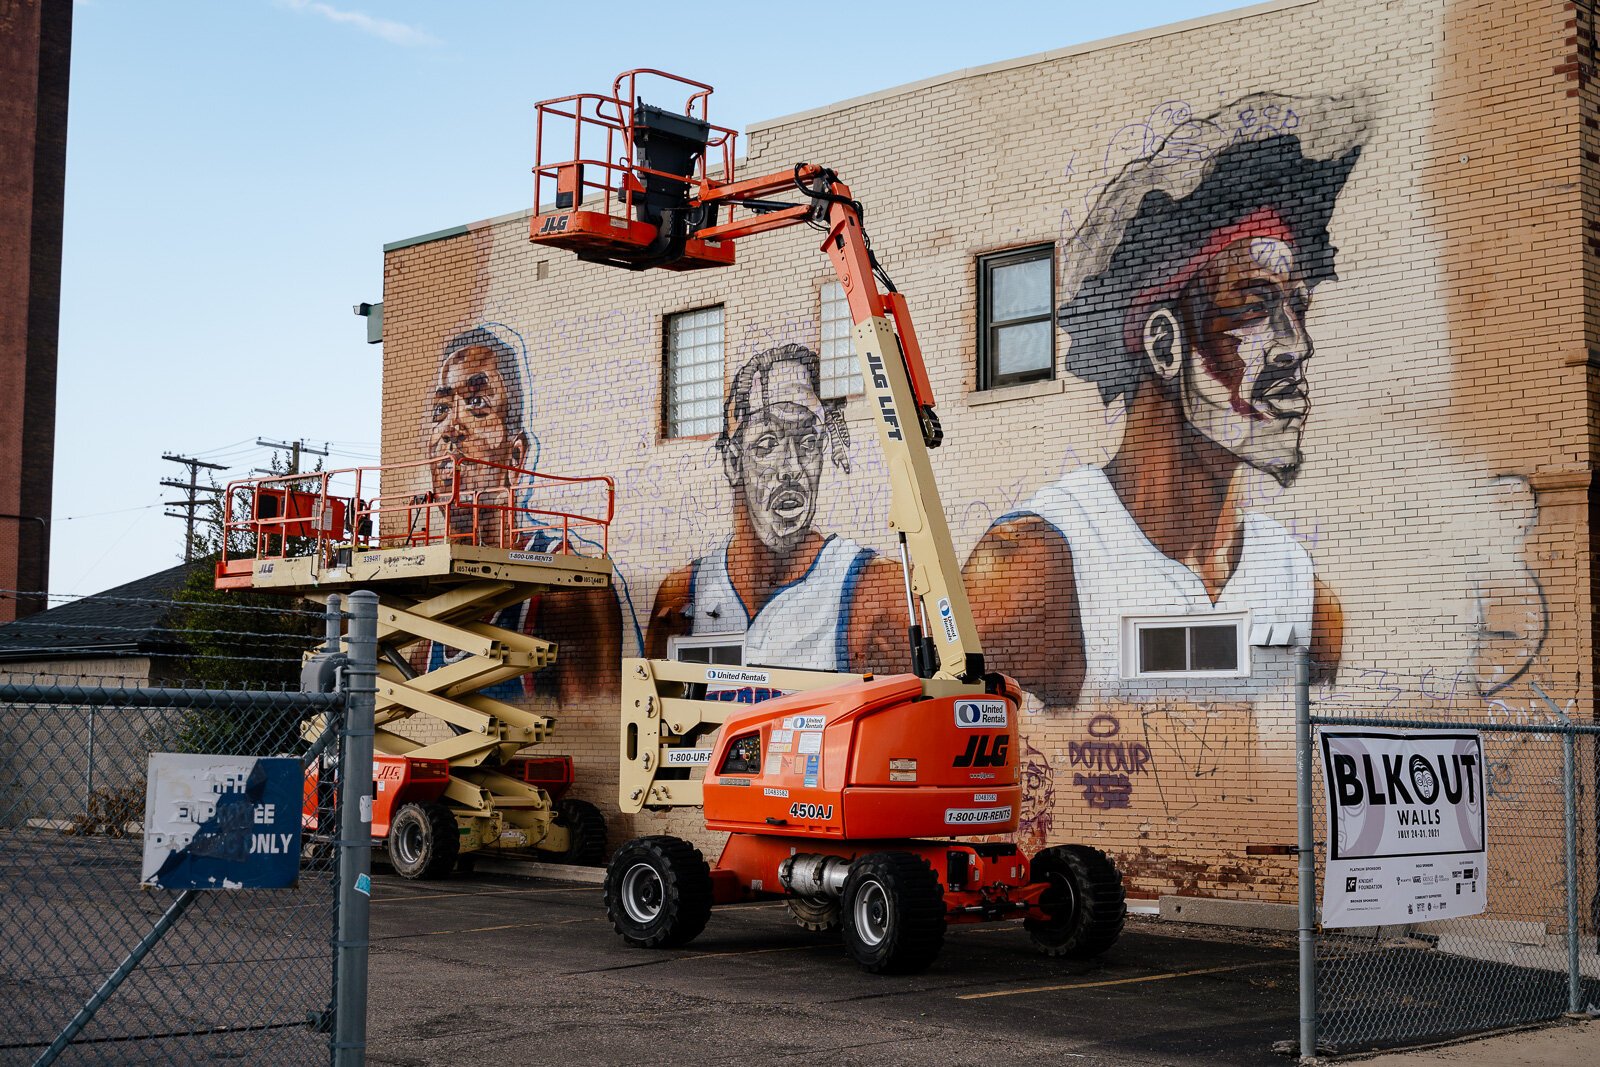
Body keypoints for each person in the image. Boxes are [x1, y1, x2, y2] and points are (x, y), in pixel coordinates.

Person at [965, 99, 1364, 706]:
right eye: (1256, 305)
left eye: (1299, 308)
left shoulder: (1302, 596)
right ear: (1165, 341)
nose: (1297, 345)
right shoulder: (1036, 570)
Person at [647, 343, 908, 674]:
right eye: (768, 444)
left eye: (807, 443)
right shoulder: (683, 591)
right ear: (732, 463)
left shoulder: (871, 586)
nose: (792, 468)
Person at [417, 325, 623, 700]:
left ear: (516, 457)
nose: (451, 427)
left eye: (477, 404)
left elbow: (597, 719)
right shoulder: (427, 605)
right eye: (441, 409)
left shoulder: (564, 585)